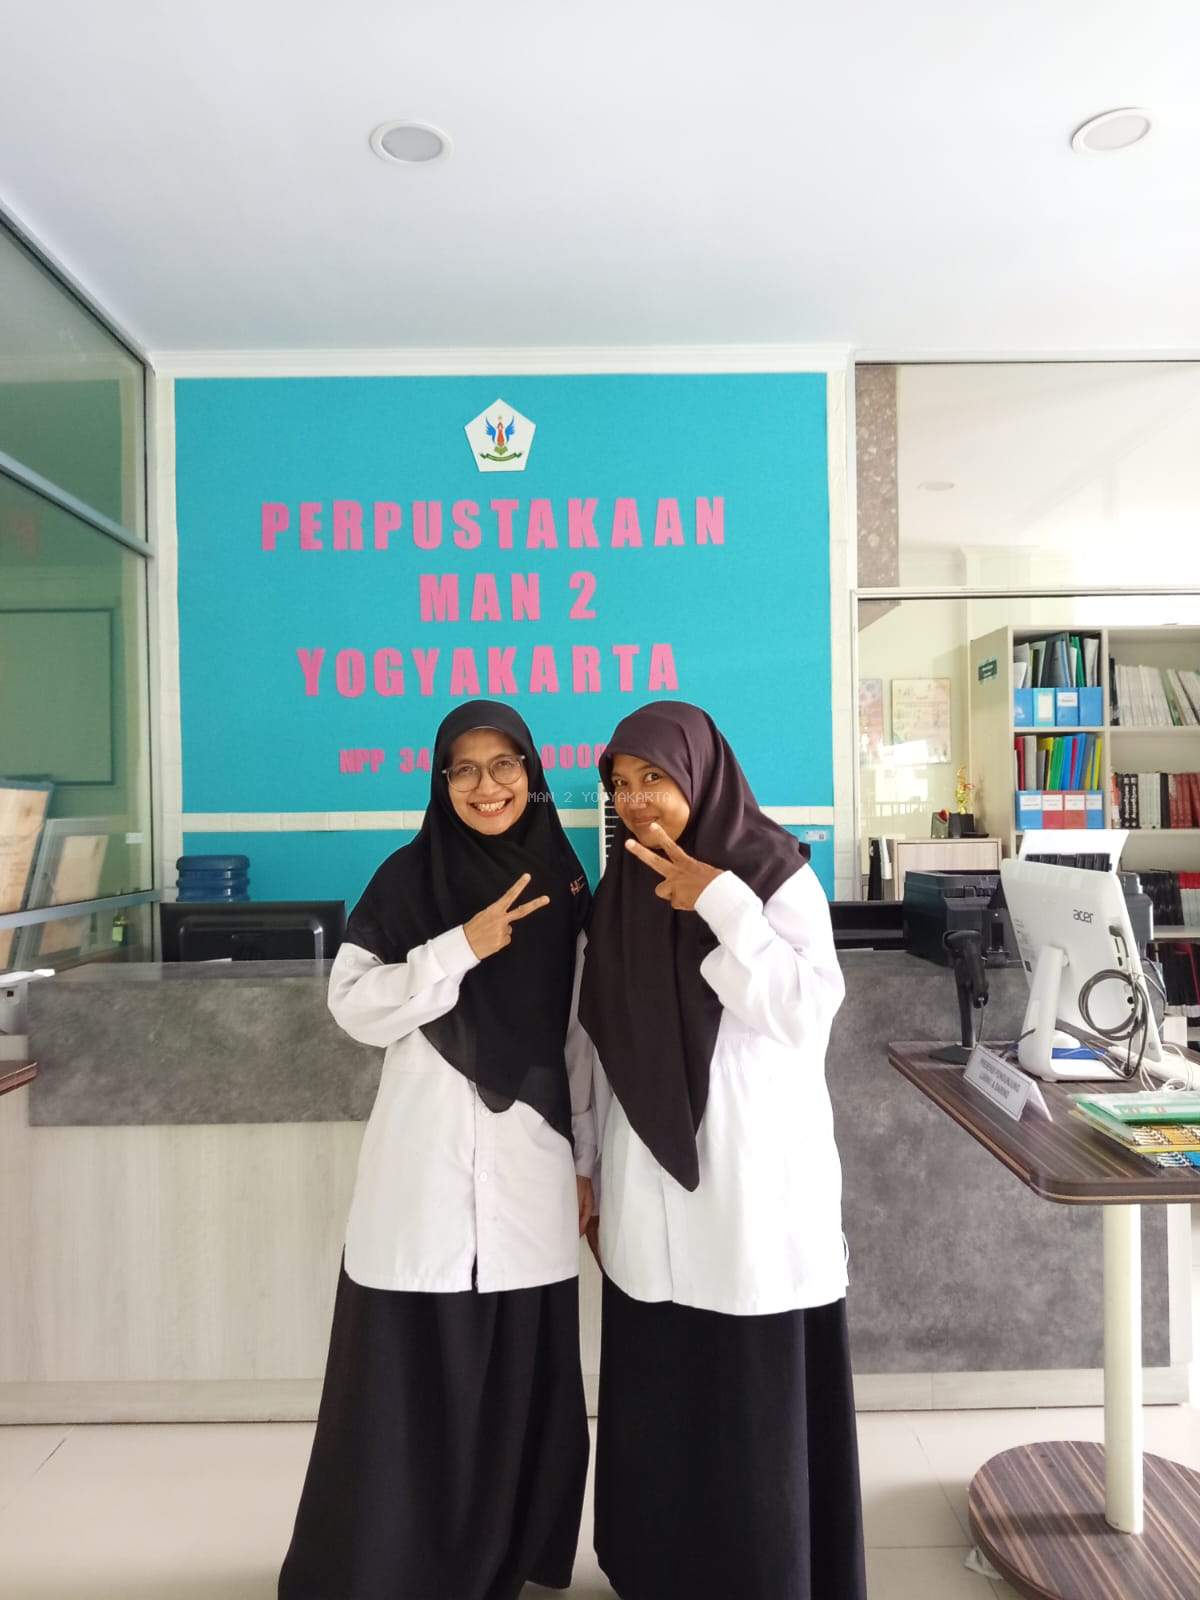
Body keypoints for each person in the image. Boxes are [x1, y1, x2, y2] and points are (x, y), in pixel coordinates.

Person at [279, 701, 595, 1600]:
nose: (487, 786)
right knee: (409, 1378)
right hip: (424, 1162)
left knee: (511, 1373)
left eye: (505, 765)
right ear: (441, 781)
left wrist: (585, 1164)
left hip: (532, 1158)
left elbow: (580, 1038)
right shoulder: (406, 877)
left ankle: (498, 1560)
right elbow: (354, 1007)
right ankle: (391, 1564)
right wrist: (458, 948)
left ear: (532, 774)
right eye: (465, 768)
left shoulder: (567, 886)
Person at [580, 700, 866, 1600]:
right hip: (648, 1169)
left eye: (653, 778)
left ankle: (764, 1572)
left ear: (700, 776)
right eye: (621, 784)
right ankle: (660, 1568)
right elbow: (599, 1042)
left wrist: (720, 901)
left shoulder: (773, 873)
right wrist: (589, 1166)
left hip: (751, 1170)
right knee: (665, 1367)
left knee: (749, 1376)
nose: (635, 800)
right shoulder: (619, 891)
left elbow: (805, 1012)